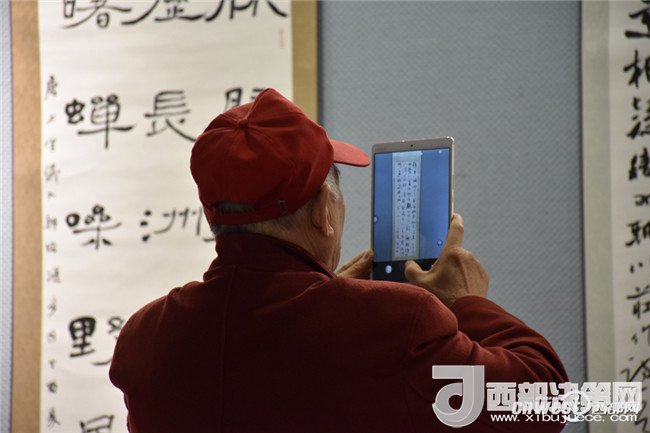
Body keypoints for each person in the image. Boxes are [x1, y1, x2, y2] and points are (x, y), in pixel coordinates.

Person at [110, 88, 568, 432]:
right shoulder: (396, 325)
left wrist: (328, 292)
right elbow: (543, 402)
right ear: (325, 213)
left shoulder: (144, 341)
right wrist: (468, 303)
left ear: (213, 215)